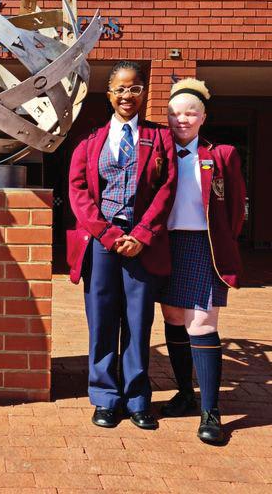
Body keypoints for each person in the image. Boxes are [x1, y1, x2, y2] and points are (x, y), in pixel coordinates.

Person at [67, 61, 177, 430]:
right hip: (102, 243)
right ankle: (105, 397)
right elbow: (78, 194)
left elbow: (167, 190)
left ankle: (137, 398)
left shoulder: (160, 138)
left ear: (143, 92)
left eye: (134, 88)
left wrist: (142, 235)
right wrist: (110, 236)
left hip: (141, 243)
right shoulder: (90, 142)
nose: (127, 95)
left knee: (137, 322)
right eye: (120, 89)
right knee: (101, 321)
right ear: (109, 93)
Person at [159, 78, 245, 445]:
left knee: (202, 324)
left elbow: (236, 207)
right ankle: (185, 394)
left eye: (190, 113)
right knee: (173, 318)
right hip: (166, 244)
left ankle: (211, 411)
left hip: (203, 245)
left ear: (203, 117)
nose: (182, 119)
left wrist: (223, 242)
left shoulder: (222, 154)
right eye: (175, 113)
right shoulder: (158, 152)